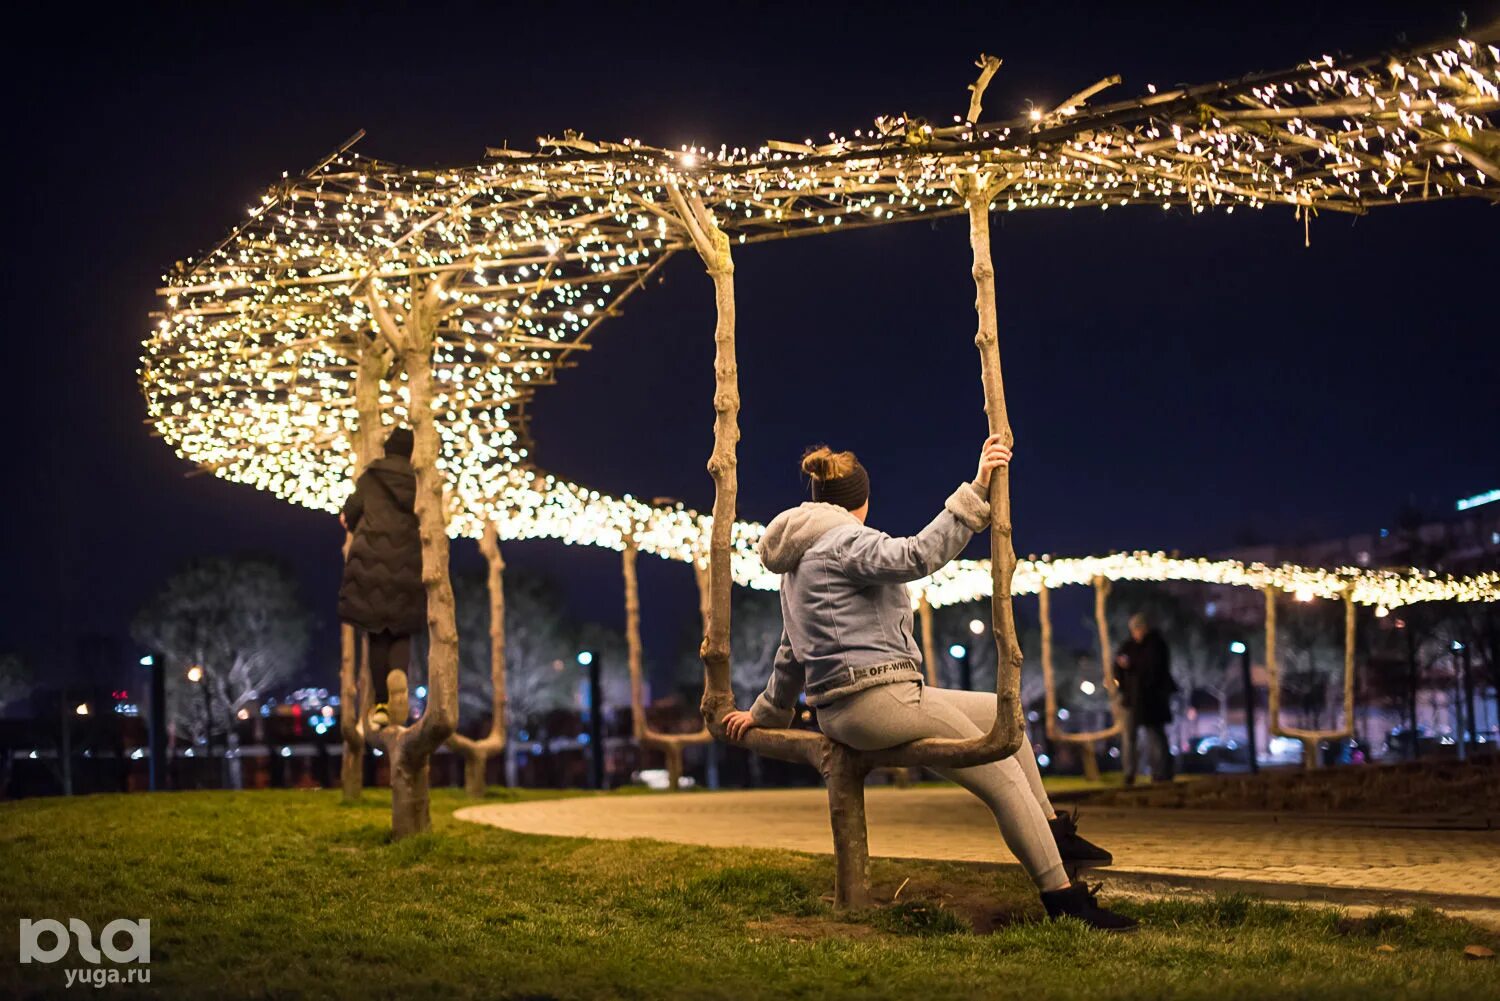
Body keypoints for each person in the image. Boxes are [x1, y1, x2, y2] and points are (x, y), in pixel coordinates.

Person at [723, 439, 1135, 932]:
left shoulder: (799, 564)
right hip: (880, 699)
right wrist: (977, 488)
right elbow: (918, 555)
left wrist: (766, 713)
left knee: (999, 715)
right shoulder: (846, 541)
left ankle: (1052, 831)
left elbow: (792, 653)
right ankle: (1065, 902)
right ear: (861, 499)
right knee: (999, 769)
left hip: (853, 706)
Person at [338, 427, 425, 731]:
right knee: (401, 631)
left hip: (370, 563)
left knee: (376, 634)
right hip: (408, 563)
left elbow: (349, 515)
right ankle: (399, 672)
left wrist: (354, 520)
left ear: (387, 449)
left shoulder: (370, 477)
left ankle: (382, 706)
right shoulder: (420, 481)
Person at [1114, 613, 1177, 785]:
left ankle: (1162, 772)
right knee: (1130, 738)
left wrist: (1131, 666)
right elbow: (1117, 667)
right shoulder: (1129, 646)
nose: (1136, 632)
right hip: (1131, 699)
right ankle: (1129, 774)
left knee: (1155, 736)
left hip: (1151, 700)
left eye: (1138, 628)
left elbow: (1155, 669)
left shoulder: (1155, 644)